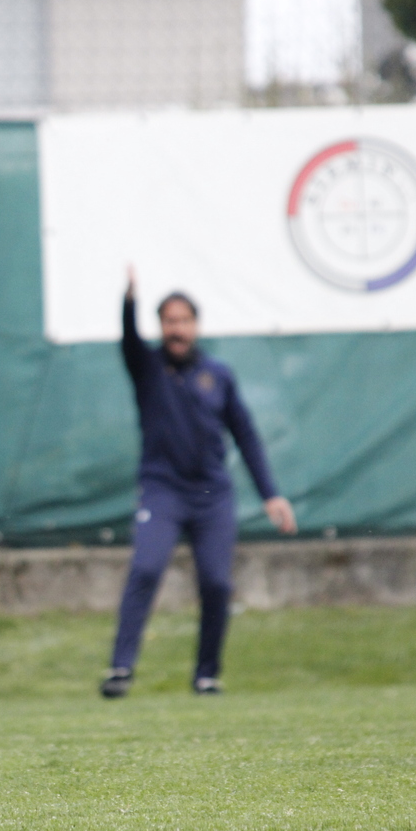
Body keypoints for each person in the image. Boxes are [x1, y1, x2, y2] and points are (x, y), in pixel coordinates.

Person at [103, 265, 297, 700]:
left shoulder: (218, 375)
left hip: (211, 494)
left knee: (216, 583)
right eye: (169, 321)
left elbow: (245, 434)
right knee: (146, 568)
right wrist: (129, 302)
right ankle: (120, 669)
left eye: (184, 321)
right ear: (161, 326)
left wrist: (271, 494)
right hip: (162, 490)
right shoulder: (148, 368)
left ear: (196, 325)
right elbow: (129, 342)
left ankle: (206, 675)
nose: (177, 329)